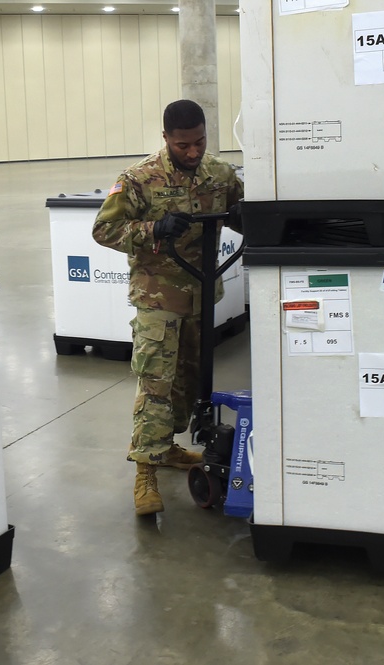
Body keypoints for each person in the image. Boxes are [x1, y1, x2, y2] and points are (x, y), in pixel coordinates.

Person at [92, 99, 244, 516]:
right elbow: (104, 229)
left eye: (199, 142)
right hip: (158, 296)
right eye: (183, 146)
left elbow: (242, 213)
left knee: (188, 382)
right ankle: (145, 473)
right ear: (165, 139)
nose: (193, 153)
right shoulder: (139, 179)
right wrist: (151, 228)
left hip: (201, 295)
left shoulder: (220, 173)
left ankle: (170, 448)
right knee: (156, 384)